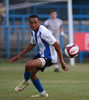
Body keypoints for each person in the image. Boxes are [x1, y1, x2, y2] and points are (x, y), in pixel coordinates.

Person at [10, 15, 69, 97]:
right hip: (42, 54)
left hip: (50, 57)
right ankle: (42, 93)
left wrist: (62, 62)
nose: (33, 24)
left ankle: (25, 81)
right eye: (31, 23)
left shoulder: (44, 32)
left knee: (28, 65)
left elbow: (57, 46)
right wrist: (19, 56)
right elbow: (31, 45)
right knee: (32, 74)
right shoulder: (33, 31)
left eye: (35, 22)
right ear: (29, 23)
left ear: (39, 22)